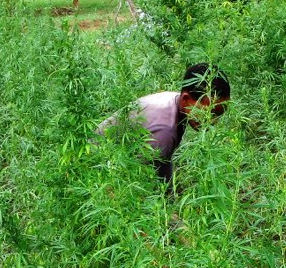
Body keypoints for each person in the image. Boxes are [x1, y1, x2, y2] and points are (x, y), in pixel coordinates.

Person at [97, 63, 230, 184]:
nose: (213, 121)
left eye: (219, 114)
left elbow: (161, 162)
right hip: (96, 165)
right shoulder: (164, 130)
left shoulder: (175, 101)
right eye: (210, 112)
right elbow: (138, 181)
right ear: (186, 99)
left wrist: (169, 198)